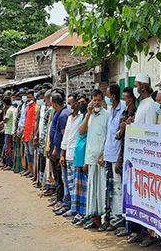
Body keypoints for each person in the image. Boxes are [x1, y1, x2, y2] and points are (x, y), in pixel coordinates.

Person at [130, 74, 159, 247]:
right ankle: (141, 230)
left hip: (146, 158)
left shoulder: (150, 106)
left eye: (136, 85)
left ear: (143, 87)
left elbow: (150, 132)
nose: (135, 88)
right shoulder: (142, 104)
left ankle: (149, 233)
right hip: (137, 158)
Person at [79, 89, 108, 229]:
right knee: (93, 190)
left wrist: (104, 155)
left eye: (98, 100)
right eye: (94, 100)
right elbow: (82, 132)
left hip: (101, 160)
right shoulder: (88, 115)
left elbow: (108, 137)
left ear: (102, 100)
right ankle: (95, 219)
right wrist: (88, 114)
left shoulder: (107, 115)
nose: (96, 102)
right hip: (90, 159)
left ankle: (104, 220)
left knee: (102, 190)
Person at [114, 87, 137, 237]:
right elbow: (118, 135)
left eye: (125, 98)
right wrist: (123, 128)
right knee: (124, 193)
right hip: (123, 155)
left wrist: (129, 126)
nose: (123, 101)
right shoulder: (124, 114)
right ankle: (126, 225)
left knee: (132, 194)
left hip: (134, 159)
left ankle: (132, 228)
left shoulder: (136, 113)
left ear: (131, 99)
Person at [101, 84, 125, 232]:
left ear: (113, 97)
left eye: (108, 95)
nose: (107, 98)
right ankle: (109, 218)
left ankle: (118, 221)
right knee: (108, 189)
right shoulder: (111, 111)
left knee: (118, 190)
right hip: (109, 154)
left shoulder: (122, 111)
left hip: (117, 156)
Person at [59, 94, 84, 217]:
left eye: (71, 103)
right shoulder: (69, 118)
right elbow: (66, 137)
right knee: (68, 183)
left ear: (76, 104)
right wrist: (62, 154)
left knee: (76, 185)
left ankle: (77, 209)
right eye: (68, 103)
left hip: (76, 155)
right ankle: (70, 206)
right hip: (67, 154)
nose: (69, 105)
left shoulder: (82, 117)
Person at [49, 92, 70, 213]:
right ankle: (60, 199)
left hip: (60, 152)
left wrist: (58, 150)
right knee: (60, 177)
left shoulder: (63, 115)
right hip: (56, 149)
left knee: (62, 178)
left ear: (55, 103)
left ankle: (63, 201)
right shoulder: (59, 112)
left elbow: (63, 135)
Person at [71, 95, 89, 225]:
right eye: (80, 102)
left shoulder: (88, 117)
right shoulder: (82, 117)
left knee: (85, 189)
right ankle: (79, 212)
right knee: (78, 188)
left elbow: (82, 132)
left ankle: (84, 213)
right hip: (78, 156)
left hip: (85, 158)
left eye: (83, 102)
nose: (81, 104)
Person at [23, 90, 38, 178]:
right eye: (27, 97)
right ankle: (30, 170)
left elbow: (33, 122)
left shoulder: (35, 107)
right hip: (26, 133)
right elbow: (25, 121)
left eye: (30, 97)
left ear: (33, 97)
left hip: (31, 134)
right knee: (28, 153)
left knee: (32, 153)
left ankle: (33, 171)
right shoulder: (27, 107)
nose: (28, 99)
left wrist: (32, 133)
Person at [1, 97, 14, 170]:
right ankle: (7, 163)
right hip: (7, 130)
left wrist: (4, 112)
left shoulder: (9, 111)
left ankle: (9, 164)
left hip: (9, 131)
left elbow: (5, 120)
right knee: (7, 148)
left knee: (7, 148)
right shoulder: (11, 109)